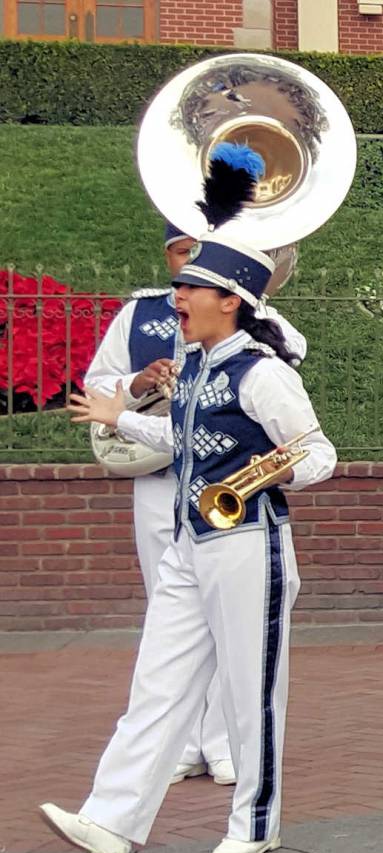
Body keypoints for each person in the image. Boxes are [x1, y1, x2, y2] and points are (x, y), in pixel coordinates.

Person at [44, 143, 336, 853]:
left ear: (228, 300)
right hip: (188, 540)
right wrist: (119, 418)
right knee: (157, 683)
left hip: (248, 546)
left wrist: (260, 477)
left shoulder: (264, 373)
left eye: (190, 292)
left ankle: (256, 819)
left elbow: (319, 453)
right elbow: (182, 433)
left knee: (250, 692)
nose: (176, 300)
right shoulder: (200, 365)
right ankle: (111, 821)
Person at [82, 223, 308, 790]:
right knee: (171, 612)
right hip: (160, 481)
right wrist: (141, 381)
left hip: (227, 493)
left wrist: (254, 292)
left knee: (227, 620)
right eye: (181, 254)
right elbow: (99, 383)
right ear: (166, 253)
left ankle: (222, 742)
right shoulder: (138, 315)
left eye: (199, 257)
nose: (187, 268)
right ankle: (181, 747)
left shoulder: (245, 325)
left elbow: (290, 355)